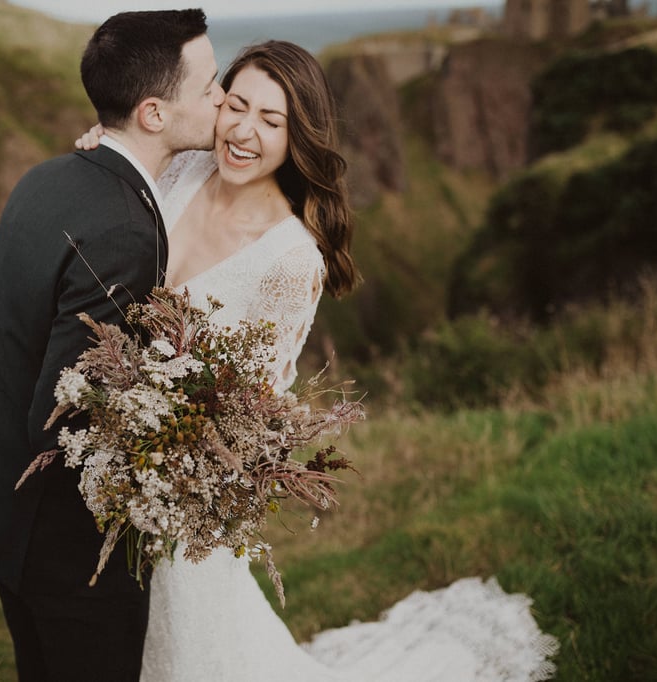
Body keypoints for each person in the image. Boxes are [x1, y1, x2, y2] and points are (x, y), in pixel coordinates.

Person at [78, 40, 559, 681]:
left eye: (271, 122)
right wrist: (104, 152)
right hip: (118, 448)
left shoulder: (289, 257)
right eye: (237, 106)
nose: (244, 132)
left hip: (193, 480)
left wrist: (182, 462)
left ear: (296, 135)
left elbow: (262, 400)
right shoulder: (182, 170)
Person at [0, 10, 225, 681]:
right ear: (153, 113)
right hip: (69, 555)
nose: (221, 101)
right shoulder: (123, 234)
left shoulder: (45, 178)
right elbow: (69, 415)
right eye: (210, 88)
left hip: (2, 512)